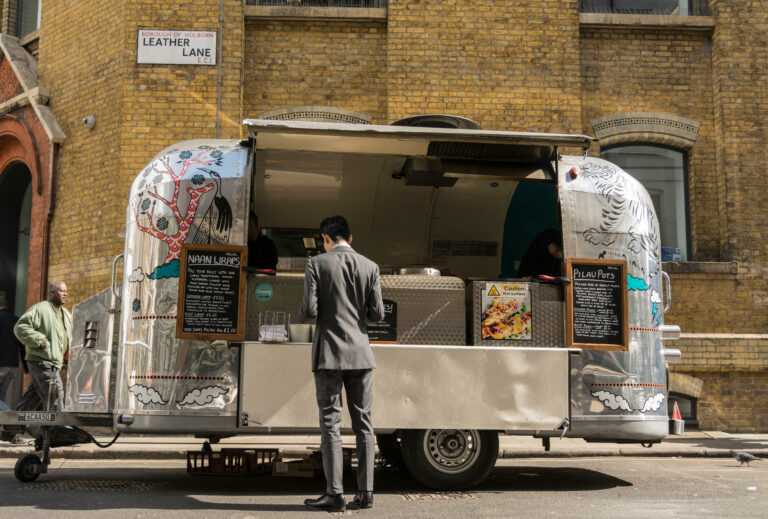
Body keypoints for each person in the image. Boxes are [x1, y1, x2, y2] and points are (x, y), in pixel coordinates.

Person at [300, 215, 385, 512]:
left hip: (329, 354)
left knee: (331, 424)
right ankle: (366, 492)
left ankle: (334, 494)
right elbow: (377, 315)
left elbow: (308, 311)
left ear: (325, 239)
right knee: (364, 423)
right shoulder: (370, 266)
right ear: (351, 238)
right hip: (361, 354)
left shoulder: (316, 264)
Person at [13, 281, 71, 412]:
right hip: (42, 361)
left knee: (32, 398)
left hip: (54, 363)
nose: (65, 294)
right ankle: (60, 429)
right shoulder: (41, 309)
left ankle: (11, 427)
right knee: (56, 395)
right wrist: (41, 341)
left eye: (66, 291)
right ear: (52, 293)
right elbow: (20, 327)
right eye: (62, 291)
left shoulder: (65, 314)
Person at [0, 292, 27, 439]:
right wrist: (26, 367)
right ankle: (8, 433)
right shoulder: (16, 320)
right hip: (12, 366)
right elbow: (23, 346)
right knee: (0, 399)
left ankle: (13, 420)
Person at [247, 210, 278, 275]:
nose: (247, 228)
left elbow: (271, 270)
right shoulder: (244, 245)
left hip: (264, 282)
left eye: (250, 225)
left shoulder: (268, 244)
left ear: (256, 225)